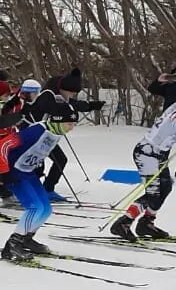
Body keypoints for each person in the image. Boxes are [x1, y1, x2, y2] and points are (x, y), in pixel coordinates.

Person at [0, 98, 78, 261]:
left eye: (74, 124)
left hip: (28, 172)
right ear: (59, 120)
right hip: (14, 172)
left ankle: (26, 239)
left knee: (46, 209)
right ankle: (12, 245)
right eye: (70, 124)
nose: (72, 128)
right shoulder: (37, 130)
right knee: (34, 208)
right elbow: (3, 145)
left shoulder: (56, 132)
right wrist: (3, 172)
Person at [26, 67, 104, 201]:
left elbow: (75, 104)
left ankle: (48, 190)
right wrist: (67, 110)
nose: (72, 95)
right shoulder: (47, 95)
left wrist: (92, 106)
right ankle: (27, 191)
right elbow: (51, 108)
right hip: (33, 134)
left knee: (61, 160)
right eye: (71, 92)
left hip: (47, 136)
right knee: (37, 164)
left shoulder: (61, 95)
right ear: (64, 89)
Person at [109, 99, 176, 241]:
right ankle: (123, 223)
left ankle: (146, 223)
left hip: (158, 153)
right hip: (147, 154)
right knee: (154, 195)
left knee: (166, 187)